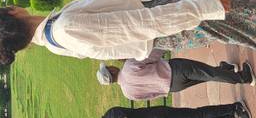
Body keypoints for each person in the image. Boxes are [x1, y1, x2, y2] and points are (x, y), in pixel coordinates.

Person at [0, 0, 256, 64]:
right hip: (178, 18)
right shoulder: (64, 29)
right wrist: (204, 7)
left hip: (170, 15)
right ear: (12, 14)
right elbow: (142, 25)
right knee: (245, 14)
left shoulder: (55, 33)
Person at [96, 49, 255, 101]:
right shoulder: (128, 66)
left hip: (172, 87)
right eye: (109, 67)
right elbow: (153, 55)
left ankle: (225, 70)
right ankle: (244, 77)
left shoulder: (127, 94)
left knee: (207, 75)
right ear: (111, 71)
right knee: (208, 74)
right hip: (174, 69)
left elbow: (152, 96)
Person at [103, 102, 252, 118]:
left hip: (158, 115)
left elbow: (123, 114)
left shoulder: (112, 114)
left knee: (198, 114)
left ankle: (234, 108)